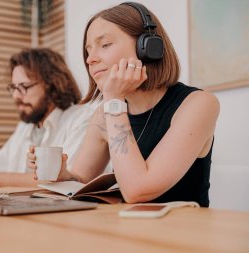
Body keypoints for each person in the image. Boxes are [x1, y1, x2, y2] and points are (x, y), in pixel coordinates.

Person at [28, 2, 219, 207]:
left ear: (147, 47)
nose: (90, 59)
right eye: (88, 51)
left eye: (105, 45)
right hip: (126, 230)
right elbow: (82, 183)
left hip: (183, 234)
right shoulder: (105, 114)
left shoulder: (199, 104)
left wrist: (114, 99)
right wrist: (62, 175)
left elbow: (138, 192)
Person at [0, 48, 94, 187]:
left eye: (24, 86)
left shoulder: (82, 119)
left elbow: (66, 180)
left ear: (52, 83)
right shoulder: (25, 127)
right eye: (14, 87)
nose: (16, 96)